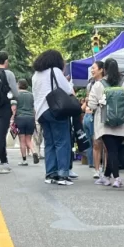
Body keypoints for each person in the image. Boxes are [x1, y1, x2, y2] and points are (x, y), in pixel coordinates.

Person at [87, 58, 124, 188]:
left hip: (105, 124)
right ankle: (106, 177)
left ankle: (117, 178)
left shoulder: (99, 85)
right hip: (122, 123)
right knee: (114, 150)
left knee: (111, 150)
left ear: (105, 69)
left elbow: (91, 104)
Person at [32, 50, 75, 185]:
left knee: (49, 143)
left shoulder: (36, 75)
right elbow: (68, 90)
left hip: (41, 113)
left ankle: (51, 174)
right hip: (55, 110)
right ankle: (62, 174)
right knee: (62, 141)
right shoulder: (55, 71)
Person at [84, 60, 106, 178]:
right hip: (93, 116)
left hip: (105, 116)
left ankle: (106, 168)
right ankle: (97, 169)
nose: (92, 70)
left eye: (94, 68)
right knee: (96, 143)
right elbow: (88, 101)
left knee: (106, 144)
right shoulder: (90, 84)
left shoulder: (106, 83)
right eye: (91, 68)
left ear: (101, 70)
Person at [14, 79, 36, 166]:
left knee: (22, 140)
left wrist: (12, 119)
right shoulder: (31, 95)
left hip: (20, 118)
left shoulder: (16, 95)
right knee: (28, 140)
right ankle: (34, 152)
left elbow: (14, 108)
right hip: (30, 118)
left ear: (19, 85)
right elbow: (34, 109)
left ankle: (24, 160)